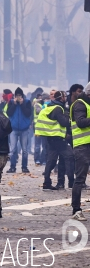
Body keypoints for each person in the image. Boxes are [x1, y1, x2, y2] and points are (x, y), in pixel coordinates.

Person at [37, 90, 74, 190]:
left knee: (52, 160)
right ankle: (72, 182)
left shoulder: (50, 107)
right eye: (65, 96)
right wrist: (68, 116)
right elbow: (64, 122)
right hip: (58, 139)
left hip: (52, 138)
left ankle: (47, 183)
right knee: (70, 156)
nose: (66, 98)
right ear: (61, 98)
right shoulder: (58, 109)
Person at [70, 82, 90, 221]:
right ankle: (76, 209)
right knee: (80, 179)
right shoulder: (79, 104)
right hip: (82, 146)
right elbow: (81, 122)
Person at [6, 87, 33, 173]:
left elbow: (28, 113)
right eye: (17, 95)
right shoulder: (10, 102)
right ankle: (12, 167)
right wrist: (14, 104)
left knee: (24, 150)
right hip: (13, 128)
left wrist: (22, 105)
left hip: (24, 128)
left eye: (19, 95)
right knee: (13, 149)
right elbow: (8, 113)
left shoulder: (27, 102)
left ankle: (24, 167)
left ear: (22, 96)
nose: (18, 97)